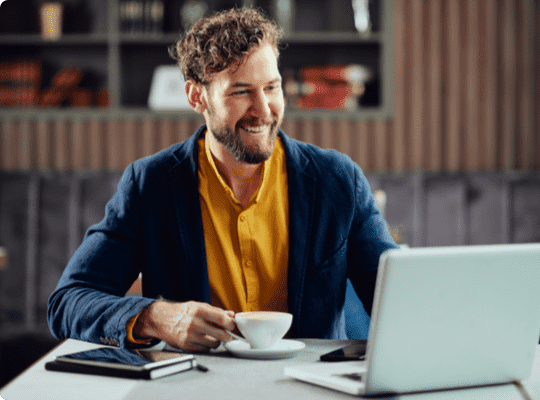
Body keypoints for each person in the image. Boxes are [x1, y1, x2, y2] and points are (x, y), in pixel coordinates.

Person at [47, 8, 397, 352]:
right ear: (197, 96)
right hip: (193, 386)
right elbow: (68, 302)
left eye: (272, 87)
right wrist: (154, 317)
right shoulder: (149, 185)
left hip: (309, 387)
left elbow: (396, 296)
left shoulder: (337, 180)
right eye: (242, 92)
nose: (263, 110)